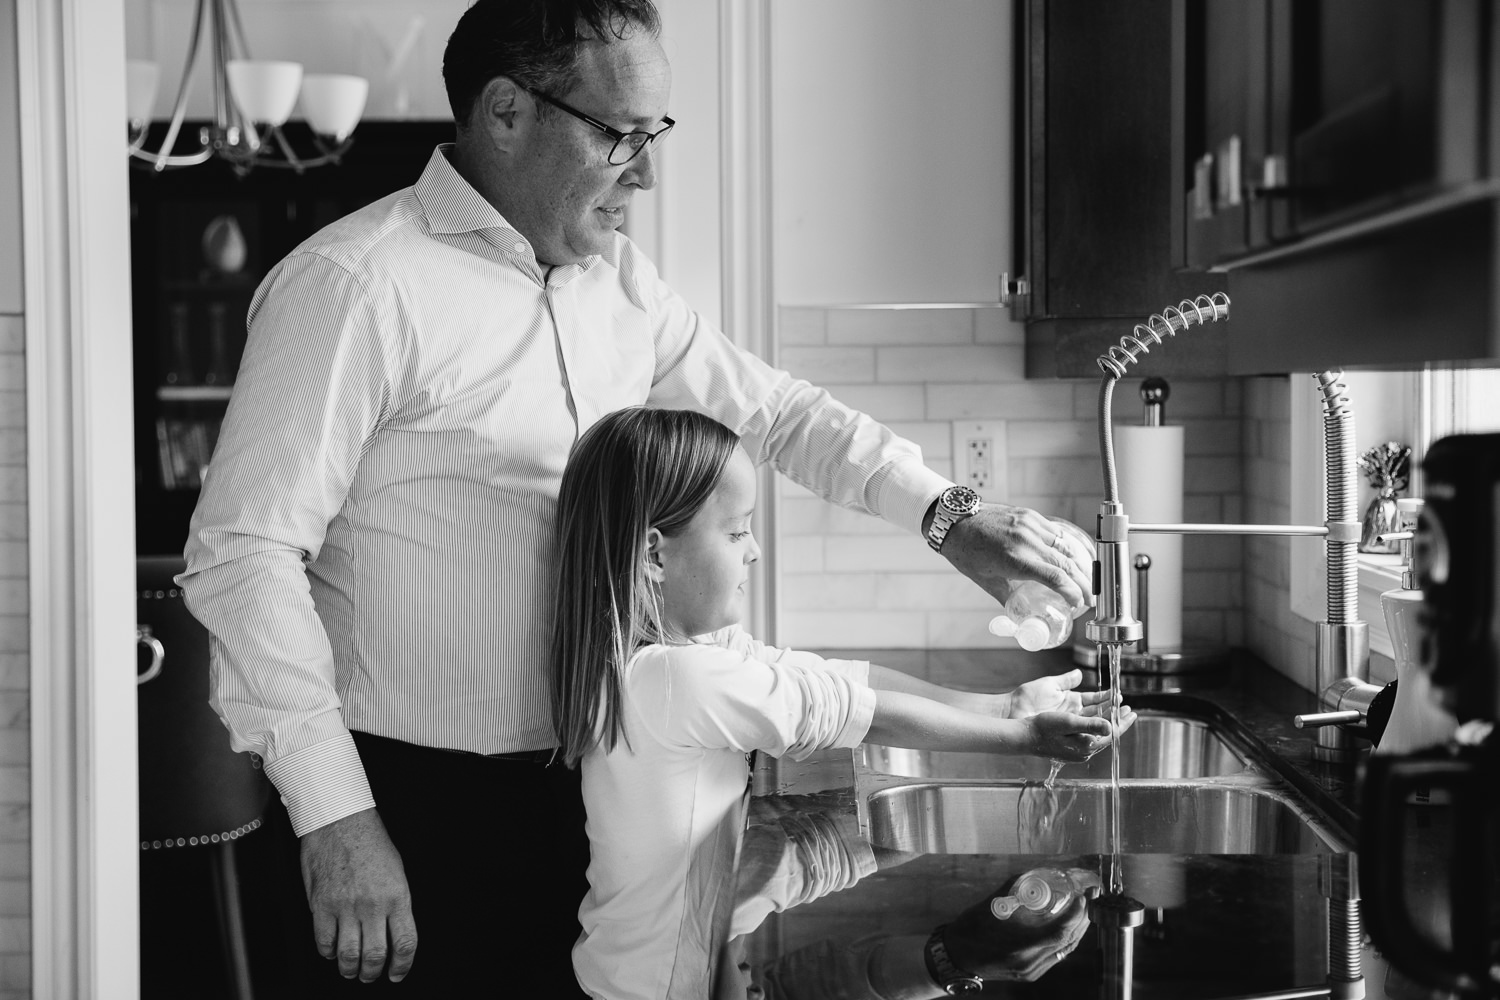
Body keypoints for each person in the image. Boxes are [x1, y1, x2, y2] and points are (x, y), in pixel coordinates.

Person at [178, 0, 1100, 995]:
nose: (647, 173)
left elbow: (774, 410)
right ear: (505, 111)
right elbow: (244, 557)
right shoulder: (356, 287)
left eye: (655, 135)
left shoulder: (617, 282)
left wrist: (950, 516)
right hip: (414, 804)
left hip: (588, 790)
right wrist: (337, 818)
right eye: (621, 135)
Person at [549, 407, 1134, 999]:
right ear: (654, 553)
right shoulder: (678, 679)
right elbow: (855, 710)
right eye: (735, 531)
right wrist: (1022, 741)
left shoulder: (658, 661)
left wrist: (1003, 708)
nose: (753, 551)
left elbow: (833, 683)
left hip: (655, 969)